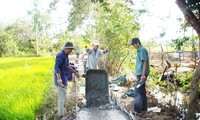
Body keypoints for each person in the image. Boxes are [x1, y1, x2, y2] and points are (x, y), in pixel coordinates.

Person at [54, 41, 80, 119]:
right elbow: (56, 67)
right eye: (70, 49)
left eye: (71, 50)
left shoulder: (66, 55)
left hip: (64, 78)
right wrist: (59, 78)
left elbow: (67, 66)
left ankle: (63, 111)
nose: (71, 51)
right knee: (61, 97)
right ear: (66, 48)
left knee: (64, 96)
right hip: (60, 80)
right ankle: (61, 115)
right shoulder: (60, 55)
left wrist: (75, 72)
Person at [130, 38, 150, 115]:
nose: (133, 46)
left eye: (134, 44)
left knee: (137, 91)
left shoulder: (142, 50)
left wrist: (143, 75)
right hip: (141, 74)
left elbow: (144, 62)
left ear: (137, 43)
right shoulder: (140, 50)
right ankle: (144, 109)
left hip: (142, 74)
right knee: (142, 91)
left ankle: (137, 111)